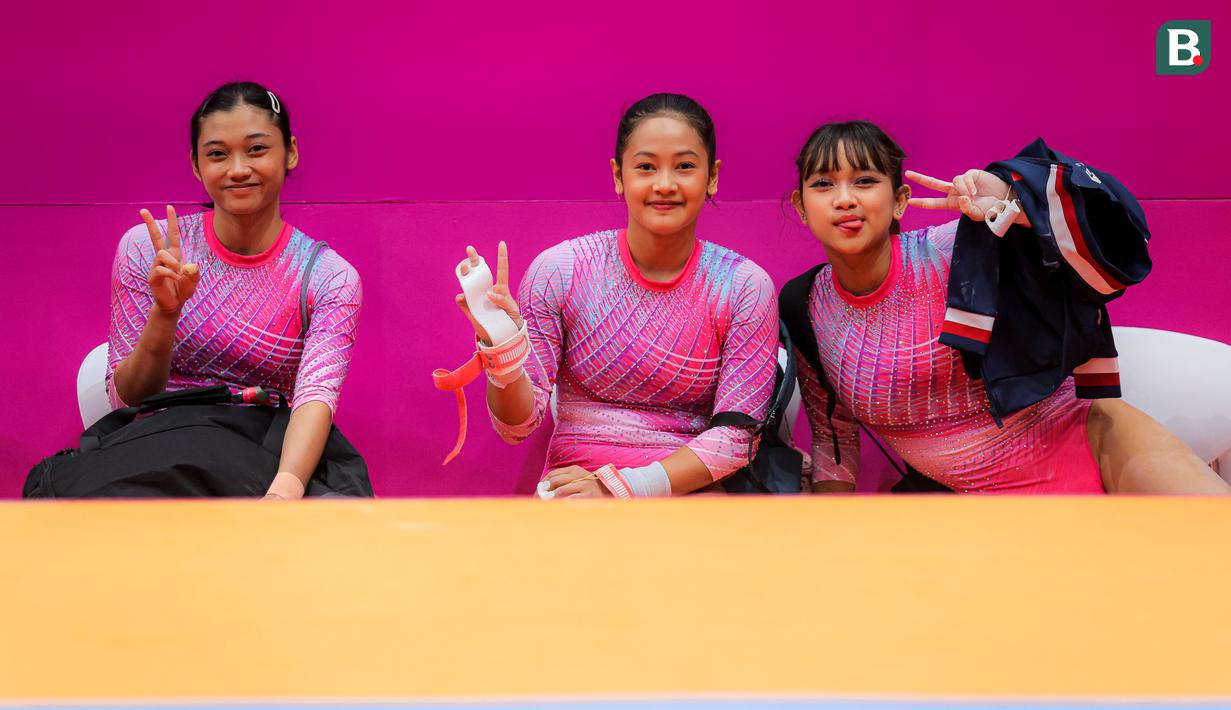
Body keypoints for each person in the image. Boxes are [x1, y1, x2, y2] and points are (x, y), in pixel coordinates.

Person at [787, 120, 1228, 494]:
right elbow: (833, 441)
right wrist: (827, 538)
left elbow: (1121, 241)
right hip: (968, 508)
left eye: (865, 181)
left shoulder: (962, 249)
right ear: (801, 207)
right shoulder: (805, 304)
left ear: (899, 199)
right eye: (823, 184)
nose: (844, 199)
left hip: (1092, 444)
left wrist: (1015, 204)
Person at [453, 93, 778, 498]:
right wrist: (502, 347)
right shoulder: (562, 271)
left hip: (686, 494)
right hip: (573, 491)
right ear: (618, 175)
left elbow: (735, 441)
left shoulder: (745, 286)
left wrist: (620, 489)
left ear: (711, 176)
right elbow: (516, 427)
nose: (664, 184)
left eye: (684, 166)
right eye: (645, 167)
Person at [102, 81, 364, 499]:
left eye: (257, 149)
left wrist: (284, 492)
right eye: (218, 154)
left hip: (271, 451)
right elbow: (127, 401)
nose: (238, 169)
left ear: (290, 152)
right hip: (160, 451)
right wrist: (165, 316)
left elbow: (315, 397)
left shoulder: (329, 278)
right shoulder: (148, 250)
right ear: (195, 164)